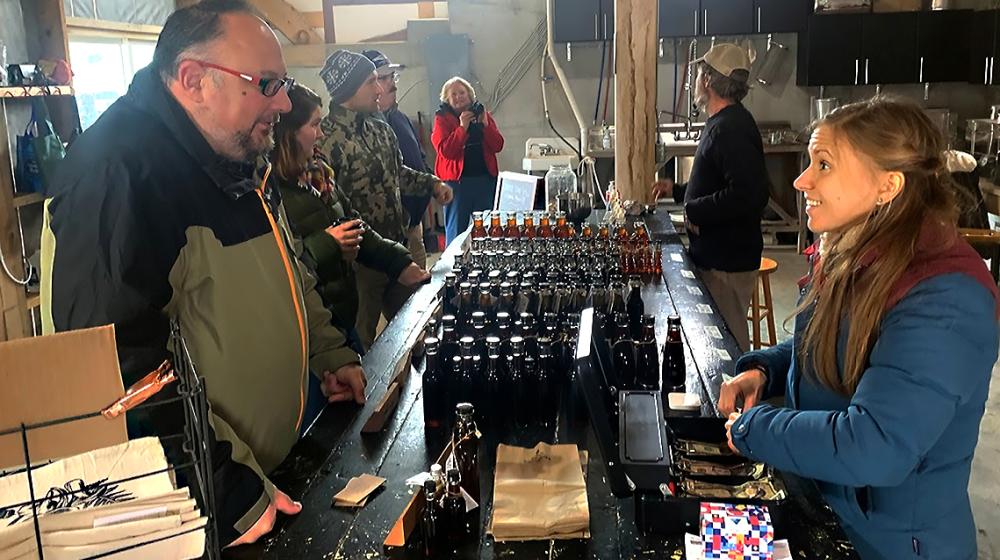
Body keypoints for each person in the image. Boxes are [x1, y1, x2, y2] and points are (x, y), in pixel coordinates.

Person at [40, 0, 367, 548]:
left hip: (265, 475)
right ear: (194, 80)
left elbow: (288, 270)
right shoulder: (118, 175)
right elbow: (116, 372)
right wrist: (222, 490)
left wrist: (327, 351)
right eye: (267, 84)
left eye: (283, 83)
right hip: (204, 512)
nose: (284, 103)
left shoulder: (236, 150)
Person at [720, 97, 999, 560]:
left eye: (823, 165)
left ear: (888, 185)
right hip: (832, 511)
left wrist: (756, 429)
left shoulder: (946, 297)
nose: (800, 179)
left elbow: (876, 446)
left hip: (892, 545)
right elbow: (837, 342)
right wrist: (767, 371)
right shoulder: (861, 250)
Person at [271, 83, 430, 347]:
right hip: (311, 331)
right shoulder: (273, 192)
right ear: (289, 134)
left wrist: (400, 263)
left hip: (340, 315)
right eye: (314, 125)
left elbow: (353, 223)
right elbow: (280, 267)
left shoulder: (318, 175)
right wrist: (327, 243)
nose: (321, 133)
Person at [317, 49, 453, 349]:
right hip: (360, 268)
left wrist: (432, 184)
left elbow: (397, 173)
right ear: (349, 89)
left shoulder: (381, 129)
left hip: (396, 251)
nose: (379, 88)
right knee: (361, 348)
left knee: (416, 335)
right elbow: (324, 208)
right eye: (371, 82)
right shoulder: (325, 139)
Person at [650, 43, 769, 352]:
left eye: (699, 74)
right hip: (718, 255)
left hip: (727, 261)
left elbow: (749, 194)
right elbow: (718, 181)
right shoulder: (725, 122)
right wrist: (677, 191)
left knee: (728, 339)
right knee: (719, 331)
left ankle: (742, 395)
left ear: (707, 80)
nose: (695, 83)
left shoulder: (730, 128)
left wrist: (695, 209)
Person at [363, 49, 432, 269]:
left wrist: (431, 183)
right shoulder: (366, 128)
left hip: (414, 226)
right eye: (383, 78)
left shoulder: (399, 118)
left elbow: (419, 156)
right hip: (389, 237)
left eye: (392, 77)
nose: (392, 84)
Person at [431, 76, 505, 243]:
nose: (459, 97)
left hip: (485, 181)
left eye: (462, 92)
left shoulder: (483, 115)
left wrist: (485, 125)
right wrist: (462, 128)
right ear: (447, 99)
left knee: (487, 230)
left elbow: (498, 145)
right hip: (457, 185)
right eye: (454, 94)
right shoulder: (441, 119)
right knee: (457, 231)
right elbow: (446, 151)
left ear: (470, 95)